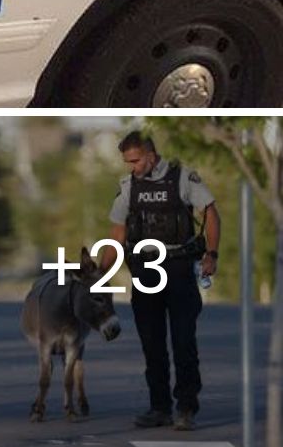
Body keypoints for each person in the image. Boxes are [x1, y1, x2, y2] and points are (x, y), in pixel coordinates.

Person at [99, 131, 219, 432]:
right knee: (152, 346)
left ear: (151, 154)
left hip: (178, 267)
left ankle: (186, 408)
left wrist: (212, 255)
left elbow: (211, 213)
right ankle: (160, 408)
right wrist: (99, 274)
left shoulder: (182, 177)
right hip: (145, 271)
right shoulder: (128, 188)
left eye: (136, 160)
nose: (132, 167)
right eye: (128, 162)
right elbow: (117, 235)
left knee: (183, 342)